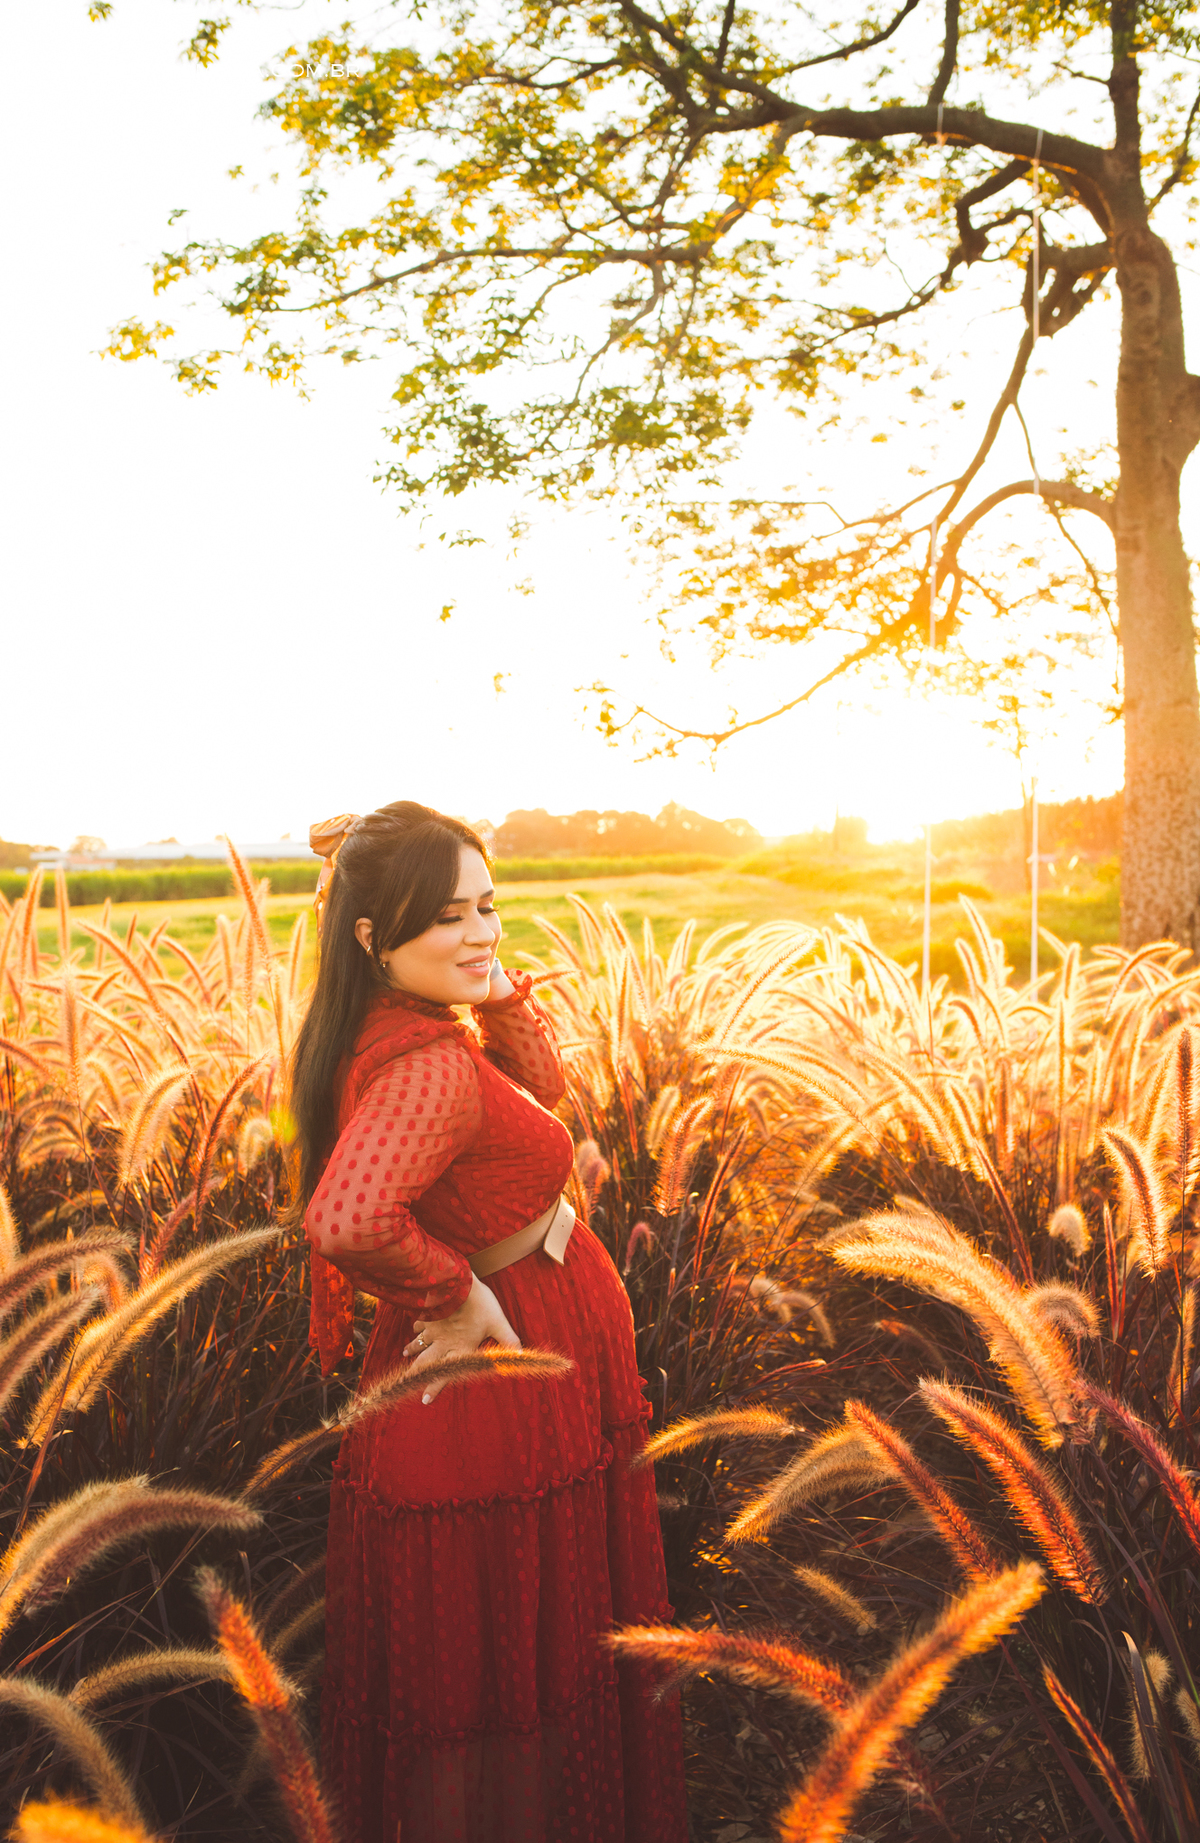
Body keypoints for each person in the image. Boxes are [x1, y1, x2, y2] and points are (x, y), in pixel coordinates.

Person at [289, 801, 689, 1843]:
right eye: (446, 917)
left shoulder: (413, 1029)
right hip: (495, 1383)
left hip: (507, 1366)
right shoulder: (425, 1064)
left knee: (500, 1660)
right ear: (372, 937)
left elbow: (538, 1091)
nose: (479, 932)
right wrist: (460, 1293)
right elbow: (346, 1218)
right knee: (513, 1661)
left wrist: (493, 984)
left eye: (487, 906)